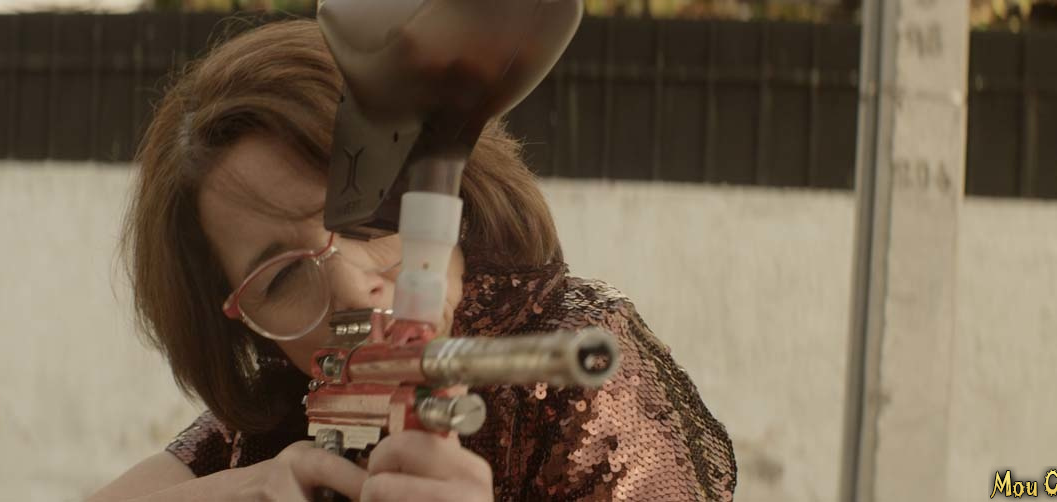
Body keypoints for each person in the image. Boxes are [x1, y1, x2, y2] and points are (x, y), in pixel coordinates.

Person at [87, 18, 736, 502]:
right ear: (238, 322)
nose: (352, 287)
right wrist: (243, 488)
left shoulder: (575, 368)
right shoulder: (292, 397)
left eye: (369, 219)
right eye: (281, 278)